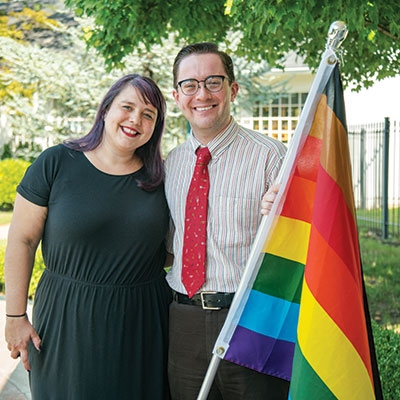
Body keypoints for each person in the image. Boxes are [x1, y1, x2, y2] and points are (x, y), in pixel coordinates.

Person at [4, 74, 172, 400]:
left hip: (142, 320)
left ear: (155, 127)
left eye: (148, 114)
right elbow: (22, 240)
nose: (135, 119)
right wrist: (14, 317)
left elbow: (172, 249)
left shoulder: (164, 179)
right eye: (127, 106)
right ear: (106, 109)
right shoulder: (56, 162)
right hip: (67, 316)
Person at [164, 42, 290, 399]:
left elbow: (298, 241)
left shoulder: (271, 158)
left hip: (250, 317)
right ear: (177, 96)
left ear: (232, 89)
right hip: (183, 320)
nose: (201, 94)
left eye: (213, 82)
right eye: (190, 84)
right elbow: (170, 244)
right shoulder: (171, 164)